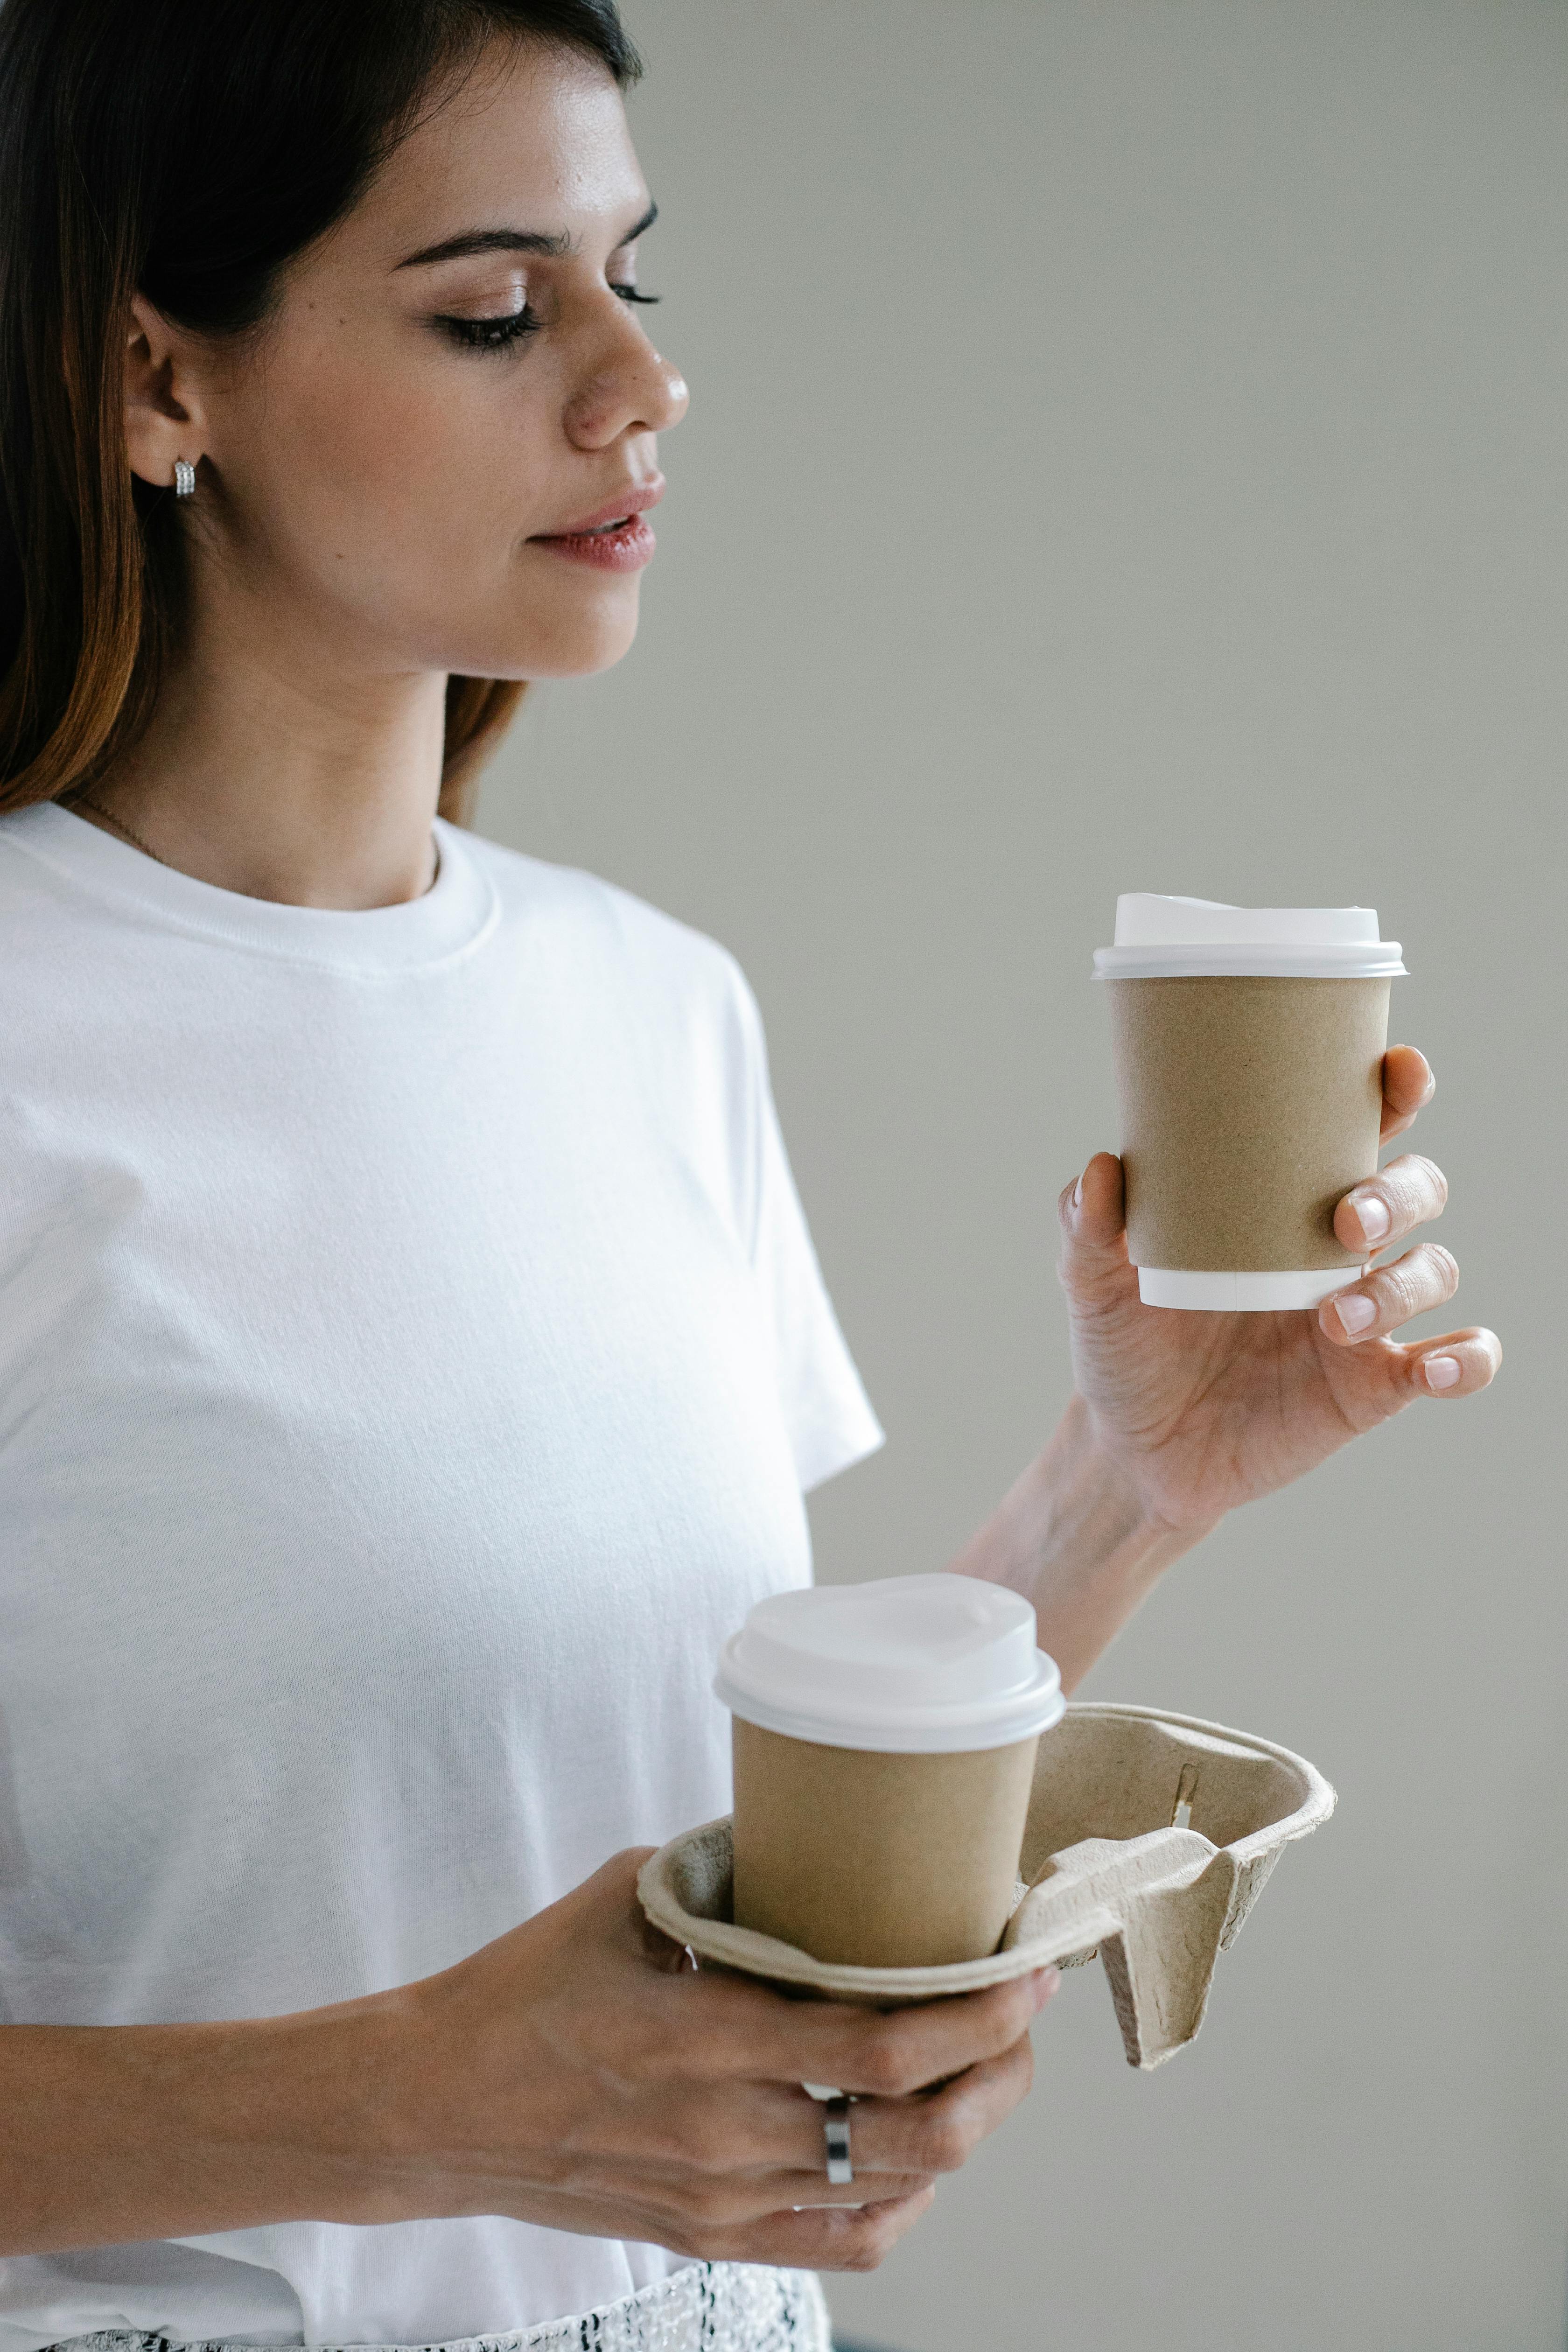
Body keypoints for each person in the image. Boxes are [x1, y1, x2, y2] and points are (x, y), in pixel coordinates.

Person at [0, 3, 1500, 2349]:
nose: (637, 386)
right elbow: (501, 2068)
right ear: (154, 381)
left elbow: (671, 1839)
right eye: (496, 310)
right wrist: (412, 2107)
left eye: (635, 279)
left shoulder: (652, 1007)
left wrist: (1124, 1490)